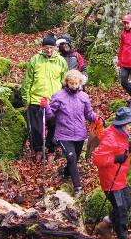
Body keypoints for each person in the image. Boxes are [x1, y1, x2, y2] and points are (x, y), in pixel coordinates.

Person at [40, 69, 99, 194]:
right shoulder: (59, 96)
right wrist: (45, 107)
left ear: (80, 83)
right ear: (66, 82)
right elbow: (50, 115)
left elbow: (88, 113)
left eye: (76, 83)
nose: (74, 86)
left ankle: (66, 172)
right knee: (71, 158)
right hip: (64, 134)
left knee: (74, 159)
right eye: (71, 83)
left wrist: (96, 118)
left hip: (80, 134)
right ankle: (78, 187)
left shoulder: (83, 97)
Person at [93, 106, 131, 239]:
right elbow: (97, 159)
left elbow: (121, 149)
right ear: (123, 123)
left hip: (120, 178)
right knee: (120, 209)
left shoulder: (122, 134)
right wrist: (115, 159)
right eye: (130, 124)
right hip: (110, 179)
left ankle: (105, 224)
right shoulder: (110, 137)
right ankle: (122, 238)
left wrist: (128, 149)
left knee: (127, 203)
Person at [21, 34, 68, 162]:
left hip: (54, 101)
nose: (48, 50)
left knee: (54, 127)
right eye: (46, 47)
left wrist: (65, 99)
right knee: (36, 128)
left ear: (55, 48)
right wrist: (27, 99)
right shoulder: (35, 60)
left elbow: (65, 82)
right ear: (42, 48)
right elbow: (28, 81)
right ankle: (38, 149)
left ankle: (51, 150)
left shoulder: (61, 61)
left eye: (51, 47)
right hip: (36, 99)